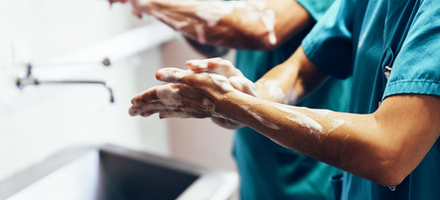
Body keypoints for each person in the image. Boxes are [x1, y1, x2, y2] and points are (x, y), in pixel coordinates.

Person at [129, 0, 440, 199]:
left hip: (305, 176)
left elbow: (388, 153)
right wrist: (250, 95)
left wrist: (235, 105)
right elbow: (300, 68)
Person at [112, 0, 350, 199]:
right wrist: (240, 103)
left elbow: (262, 28)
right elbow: (215, 44)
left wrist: (152, 2)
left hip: (307, 165)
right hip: (255, 153)